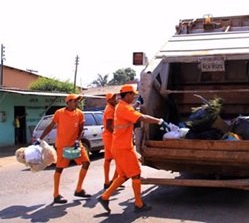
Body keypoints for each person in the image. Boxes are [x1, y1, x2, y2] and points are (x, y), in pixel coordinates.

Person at [97, 84, 170, 213]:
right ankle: (138, 204)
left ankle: (105, 197)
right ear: (128, 94)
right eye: (133, 95)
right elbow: (141, 117)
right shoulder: (124, 108)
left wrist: (137, 104)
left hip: (119, 146)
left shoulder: (122, 106)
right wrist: (159, 121)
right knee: (136, 174)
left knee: (124, 175)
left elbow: (132, 111)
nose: (134, 96)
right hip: (124, 148)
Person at [37, 94, 91, 204]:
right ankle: (56, 195)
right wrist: (40, 139)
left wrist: (78, 139)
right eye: (75, 101)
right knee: (59, 169)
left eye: (78, 101)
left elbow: (81, 129)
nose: (77, 103)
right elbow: (51, 126)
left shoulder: (80, 113)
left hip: (76, 144)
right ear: (68, 102)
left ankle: (79, 189)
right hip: (63, 146)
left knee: (86, 163)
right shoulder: (59, 113)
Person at [102, 92, 119, 190]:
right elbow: (109, 126)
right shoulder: (109, 110)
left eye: (115, 97)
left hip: (108, 137)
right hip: (110, 137)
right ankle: (113, 180)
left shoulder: (112, 108)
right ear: (109, 100)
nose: (115, 99)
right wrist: (116, 135)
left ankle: (108, 181)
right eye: (113, 98)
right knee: (119, 159)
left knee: (108, 159)